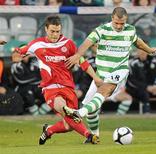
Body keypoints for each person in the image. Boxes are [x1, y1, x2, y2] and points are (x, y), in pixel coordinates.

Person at [63, 7, 156, 139]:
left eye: (122, 23)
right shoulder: (102, 30)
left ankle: (79, 113)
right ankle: (95, 136)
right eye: (116, 23)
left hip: (119, 70)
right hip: (101, 73)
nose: (119, 26)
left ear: (126, 20)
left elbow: (137, 42)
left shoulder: (130, 30)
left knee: (104, 90)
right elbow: (88, 42)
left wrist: (149, 50)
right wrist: (77, 55)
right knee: (92, 110)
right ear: (112, 19)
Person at [13, 14, 101, 145]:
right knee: (64, 108)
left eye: (57, 31)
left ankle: (49, 130)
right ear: (46, 30)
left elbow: (82, 62)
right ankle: (89, 135)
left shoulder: (68, 44)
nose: (55, 34)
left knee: (69, 125)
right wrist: (17, 52)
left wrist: (96, 78)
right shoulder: (37, 44)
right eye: (52, 31)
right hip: (50, 88)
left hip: (68, 87)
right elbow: (18, 52)